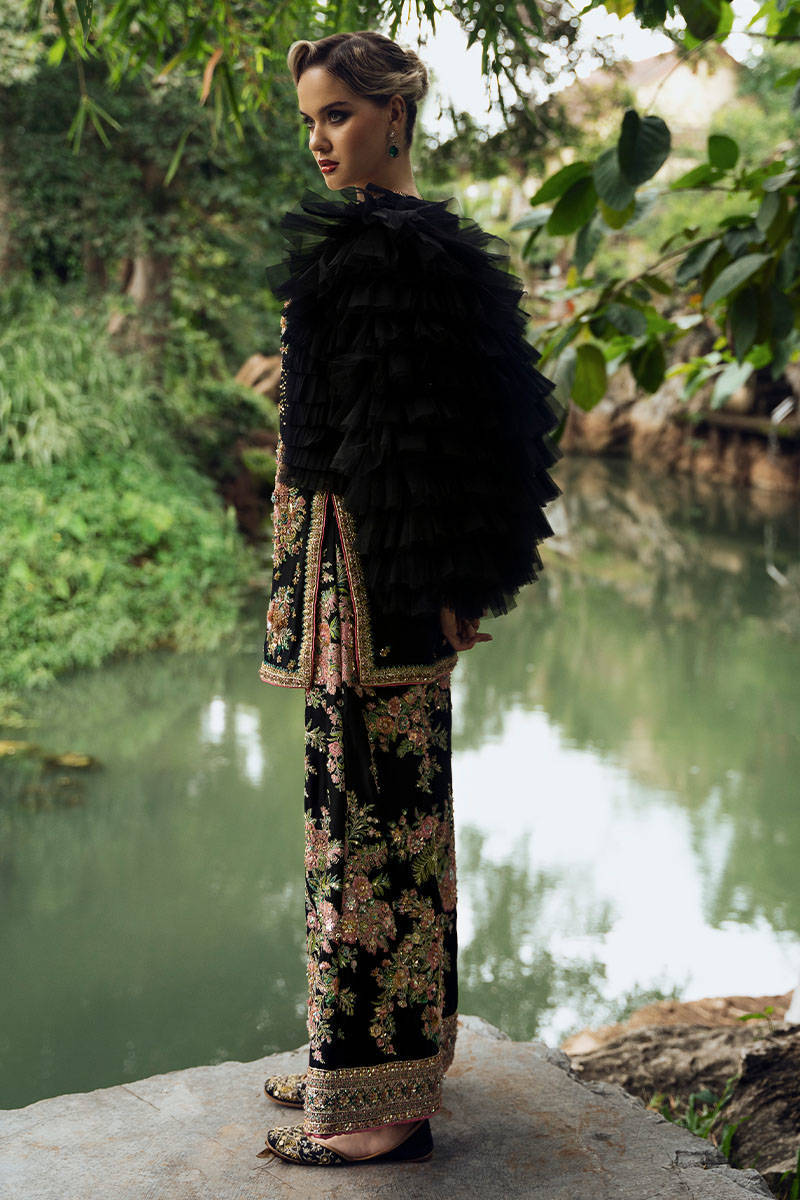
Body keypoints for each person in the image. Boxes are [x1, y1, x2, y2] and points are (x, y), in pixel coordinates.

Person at [255, 29, 564, 1168]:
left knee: (371, 829)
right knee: (374, 823)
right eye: (309, 120)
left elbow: (445, 434)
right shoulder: (400, 244)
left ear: (394, 111)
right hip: (362, 572)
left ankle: (385, 1109)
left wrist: (442, 580)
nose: (319, 140)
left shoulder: (391, 254)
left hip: (374, 579)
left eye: (336, 114)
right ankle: (365, 1061)